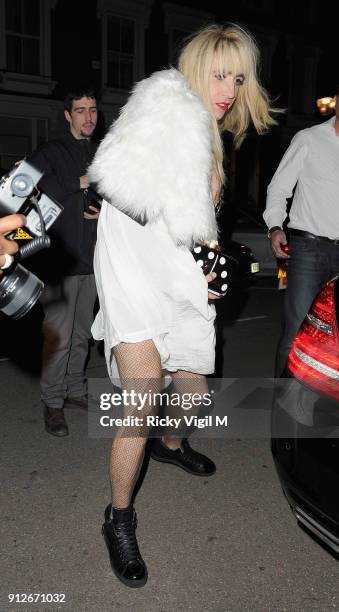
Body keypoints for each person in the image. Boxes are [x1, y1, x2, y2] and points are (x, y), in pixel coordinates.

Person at [88, 23, 276, 587]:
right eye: (219, 74)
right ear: (196, 67)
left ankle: (171, 446)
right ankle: (118, 518)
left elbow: (191, 218)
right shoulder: (166, 104)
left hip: (177, 273)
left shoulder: (211, 132)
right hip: (133, 269)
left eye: (238, 78)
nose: (228, 88)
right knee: (142, 398)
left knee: (193, 395)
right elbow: (112, 182)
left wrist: (211, 260)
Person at [28, 87, 100, 437]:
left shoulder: (101, 153)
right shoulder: (51, 152)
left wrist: (99, 207)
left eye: (92, 109)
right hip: (58, 261)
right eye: (81, 110)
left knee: (83, 334)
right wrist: (81, 181)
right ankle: (52, 403)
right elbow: (23, 189)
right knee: (58, 337)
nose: (88, 117)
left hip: (92, 261)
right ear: (68, 115)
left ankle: (75, 390)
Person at [263, 87, 339, 377]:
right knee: (297, 330)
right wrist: (274, 227)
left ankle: (323, 408)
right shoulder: (308, 139)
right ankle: (284, 408)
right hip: (309, 250)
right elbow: (279, 188)